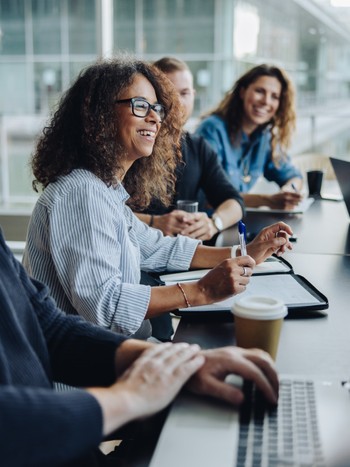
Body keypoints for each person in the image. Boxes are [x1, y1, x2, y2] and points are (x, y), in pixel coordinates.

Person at [23, 57, 293, 341]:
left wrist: (246, 252)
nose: (154, 117)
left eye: (156, 108)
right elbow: (106, 307)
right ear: (98, 114)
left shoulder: (104, 189)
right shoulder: (81, 193)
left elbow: (159, 248)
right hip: (87, 376)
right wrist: (202, 290)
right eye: (140, 106)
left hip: (118, 353)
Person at [0, 229, 280, 467]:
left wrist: (181, 362)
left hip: (68, 436)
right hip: (60, 427)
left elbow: (47, 326)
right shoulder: (80, 192)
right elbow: (103, 304)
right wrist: (129, 397)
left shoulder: (108, 193)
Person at [134, 56, 244, 242]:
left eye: (184, 93)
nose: (177, 103)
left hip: (187, 258)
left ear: (193, 95)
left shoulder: (198, 147)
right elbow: (106, 210)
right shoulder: (135, 144)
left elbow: (234, 202)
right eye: (168, 94)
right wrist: (154, 222)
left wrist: (213, 223)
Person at [195, 64, 303, 210]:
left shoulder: (265, 136)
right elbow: (208, 198)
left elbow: (293, 175)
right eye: (260, 91)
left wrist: (289, 191)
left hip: (237, 222)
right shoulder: (212, 130)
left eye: (274, 96)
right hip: (209, 224)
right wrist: (267, 200)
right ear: (242, 92)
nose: (266, 101)